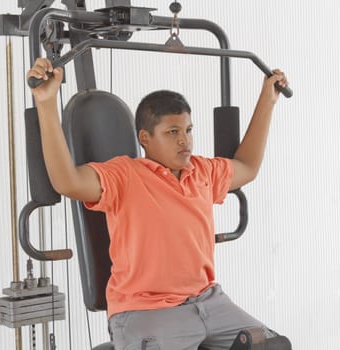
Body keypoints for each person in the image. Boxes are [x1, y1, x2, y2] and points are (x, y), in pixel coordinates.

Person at [27, 58, 289, 350]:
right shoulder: (124, 175)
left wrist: (268, 99)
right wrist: (46, 103)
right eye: (172, 132)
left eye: (188, 130)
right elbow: (68, 182)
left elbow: (247, 167)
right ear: (145, 138)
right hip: (147, 310)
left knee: (273, 345)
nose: (184, 141)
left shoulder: (202, 171)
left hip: (209, 302)